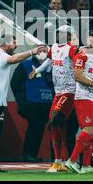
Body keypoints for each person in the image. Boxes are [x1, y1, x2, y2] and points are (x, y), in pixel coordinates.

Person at [0, 34, 45, 172]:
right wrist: (32, 52)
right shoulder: (1, 56)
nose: (16, 45)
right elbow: (13, 59)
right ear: (5, 44)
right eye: (14, 43)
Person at [30, 25, 78, 172]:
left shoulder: (71, 48)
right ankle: (59, 162)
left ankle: (66, 161)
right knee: (53, 125)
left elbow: (79, 63)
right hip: (57, 93)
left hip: (69, 92)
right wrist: (37, 71)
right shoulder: (55, 47)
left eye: (62, 33)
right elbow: (48, 62)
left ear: (69, 35)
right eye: (58, 32)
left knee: (55, 121)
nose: (58, 35)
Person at [65, 30, 93, 174]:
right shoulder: (82, 55)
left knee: (92, 132)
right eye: (91, 40)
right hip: (83, 96)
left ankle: (86, 165)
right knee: (88, 129)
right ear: (87, 41)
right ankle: (71, 161)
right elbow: (77, 76)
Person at [10, 48, 54, 162]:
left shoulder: (51, 66)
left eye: (44, 50)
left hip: (47, 103)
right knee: (34, 127)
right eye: (39, 50)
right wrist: (21, 100)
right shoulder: (25, 65)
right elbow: (14, 83)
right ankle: (28, 154)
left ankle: (33, 155)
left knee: (39, 129)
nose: (42, 53)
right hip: (31, 104)